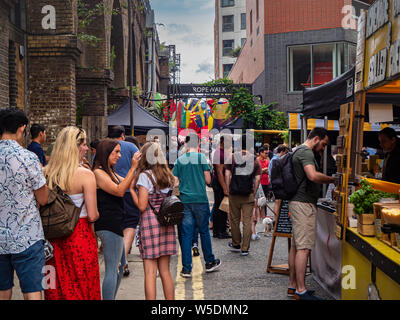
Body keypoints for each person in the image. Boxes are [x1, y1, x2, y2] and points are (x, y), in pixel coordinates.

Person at [43, 126, 101, 300]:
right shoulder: (85, 175)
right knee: (83, 284)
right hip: (79, 235)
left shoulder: (45, 173)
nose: (85, 147)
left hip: (51, 238)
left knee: (54, 286)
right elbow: (92, 215)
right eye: (82, 143)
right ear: (73, 147)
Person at [0, 107, 48, 300]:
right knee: (32, 289)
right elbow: (43, 198)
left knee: (2, 290)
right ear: (22, 129)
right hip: (27, 235)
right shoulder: (29, 158)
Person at [288, 127, 336, 300]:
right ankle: (301, 290)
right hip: (304, 205)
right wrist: (332, 179)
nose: (323, 149)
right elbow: (313, 176)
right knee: (304, 248)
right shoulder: (306, 153)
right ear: (316, 138)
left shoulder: (298, 151)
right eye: (323, 144)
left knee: (296, 246)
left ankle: (293, 286)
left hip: (298, 202)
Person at [93, 139, 141, 300]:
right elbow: (120, 191)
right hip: (108, 224)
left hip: (115, 223)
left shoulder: (109, 171)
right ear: (106, 153)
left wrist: (140, 168)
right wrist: (133, 167)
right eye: (116, 152)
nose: (119, 156)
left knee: (120, 267)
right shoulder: (98, 173)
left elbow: (129, 183)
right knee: (113, 268)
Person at [129, 142, 177, 300]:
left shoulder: (145, 176)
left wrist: (131, 191)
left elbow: (142, 206)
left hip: (150, 223)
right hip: (166, 223)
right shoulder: (169, 176)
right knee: (165, 271)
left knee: (150, 272)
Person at [173, 133, 222, 278]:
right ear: (198, 144)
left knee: (186, 234)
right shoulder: (201, 158)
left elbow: (175, 182)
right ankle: (209, 262)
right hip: (200, 199)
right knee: (204, 232)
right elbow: (208, 180)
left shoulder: (180, 160)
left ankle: (186, 268)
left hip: (185, 201)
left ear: (186, 144)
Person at [108, 125, 140, 277]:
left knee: (115, 226)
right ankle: (123, 260)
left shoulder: (104, 147)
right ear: (122, 135)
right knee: (130, 225)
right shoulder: (131, 146)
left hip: (109, 191)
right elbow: (140, 165)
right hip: (129, 191)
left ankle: (115, 259)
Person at [224, 133, 262, 256]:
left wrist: (228, 189)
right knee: (247, 221)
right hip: (248, 194)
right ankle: (245, 248)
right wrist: (254, 191)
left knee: (234, 220)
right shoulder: (255, 160)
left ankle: (236, 243)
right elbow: (257, 179)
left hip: (234, 193)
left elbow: (227, 174)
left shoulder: (233, 157)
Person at [211, 135, 231, 239]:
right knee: (219, 207)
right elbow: (219, 172)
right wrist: (224, 188)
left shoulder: (226, 152)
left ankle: (222, 230)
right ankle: (218, 231)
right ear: (222, 141)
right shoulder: (218, 153)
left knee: (223, 207)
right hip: (219, 182)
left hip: (223, 182)